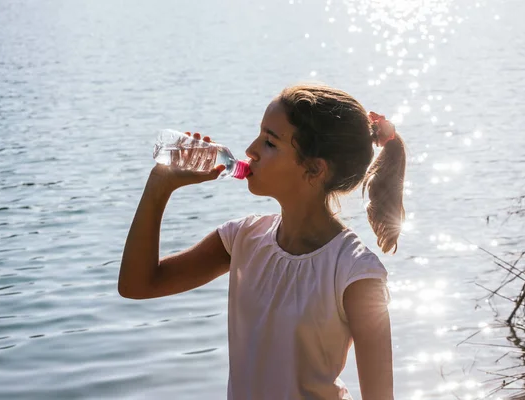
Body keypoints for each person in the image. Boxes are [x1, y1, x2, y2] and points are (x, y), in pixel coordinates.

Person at [118, 83, 406, 400]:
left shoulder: (355, 272)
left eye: (269, 142)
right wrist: (160, 185)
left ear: (314, 168)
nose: (251, 150)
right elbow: (137, 285)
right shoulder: (242, 239)